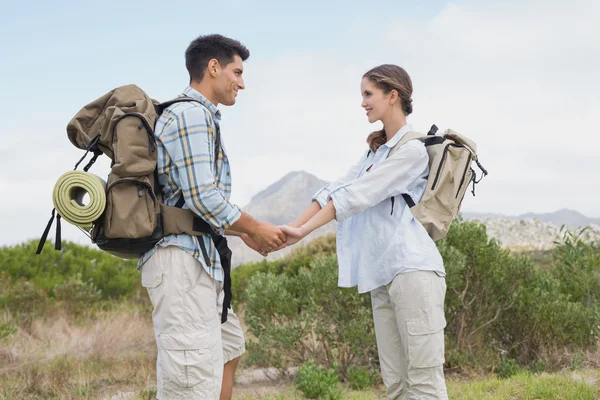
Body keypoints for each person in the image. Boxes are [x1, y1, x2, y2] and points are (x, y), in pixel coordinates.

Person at [278, 64, 448, 400]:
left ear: (392, 95)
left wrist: (303, 231)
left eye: (368, 94)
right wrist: (291, 231)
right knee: (396, 385)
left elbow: (357, 196)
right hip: (381, 276)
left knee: (425, 382)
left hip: (413, 271)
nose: (363, 103)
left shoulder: (412, 152)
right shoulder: (375, 152)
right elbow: (336, 188)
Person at [139, 34, 287, 400]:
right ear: (214, 67)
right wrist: (255, 227)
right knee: (190, 383)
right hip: (182, 263)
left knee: (228, 349)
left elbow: (192, 203)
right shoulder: (191, 114)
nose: (242, 82)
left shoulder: (199, 115)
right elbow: (203, 196)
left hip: (199, 260)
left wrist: (241, 233)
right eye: (237, 72)